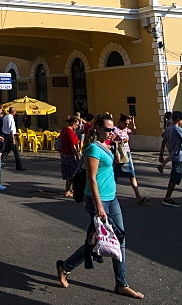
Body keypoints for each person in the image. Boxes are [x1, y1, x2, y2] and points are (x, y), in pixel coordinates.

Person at [56, 114, 144, 299]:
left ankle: (121, 283)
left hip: (112, 198)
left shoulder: (106, 146)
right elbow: (92, 178)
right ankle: (65, 266)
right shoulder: (92, 149)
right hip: (98, 201)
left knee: (118, 239)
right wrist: (99, 206)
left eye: (112, 129)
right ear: (97, 129)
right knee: (97, 240)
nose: (111, 132)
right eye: (107, 129)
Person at [111, 115, 149, 203]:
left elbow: (134, 132)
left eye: (127, 124)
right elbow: (110, 141)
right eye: (125, 123)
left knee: (132, 174)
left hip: (127, 153)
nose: (126, 126)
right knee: (115, 175)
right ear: (120, 121)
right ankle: (110, 194)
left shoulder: (126, 130)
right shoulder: (115, 129)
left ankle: (138, 196)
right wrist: (121, 141)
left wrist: (133, 123)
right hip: (119, 154)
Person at [58, 115, 81, 197]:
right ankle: (68, 191)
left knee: (68, 173)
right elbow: (72, 146)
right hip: (70, 154)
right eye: (77, 124)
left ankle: (68, 190)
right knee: (72, 173)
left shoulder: (64, 129)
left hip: (64, 153)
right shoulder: (70, 132)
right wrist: (77, 155)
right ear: (73, 123)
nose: (77, 126)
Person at [1, 105, 25, 170]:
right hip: (10, 135)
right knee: (16, 151)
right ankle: (19, 166)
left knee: (7, 150)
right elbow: (11, 129)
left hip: (6, 134)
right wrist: (13, 138)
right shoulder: (11, 118)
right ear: (13, 112)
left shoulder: (5, 117)